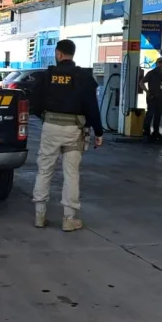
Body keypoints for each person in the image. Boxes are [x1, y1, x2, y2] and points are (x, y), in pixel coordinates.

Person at [29, 39, 104, 232]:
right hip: (74, 130)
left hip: (50, 127)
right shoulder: (84, 77)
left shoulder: (47, 76)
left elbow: (33, 101)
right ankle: (69, 218)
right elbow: (92, 107)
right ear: (72, 54)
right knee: (71, 173)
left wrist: (44, 116)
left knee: (44, 170)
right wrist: (98, 131)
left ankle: (39, 215)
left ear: (58, 54)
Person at [141, 57, 162, 143]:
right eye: (159, 63)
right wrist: (147, 91)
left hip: (160, 97)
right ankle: (146, 132)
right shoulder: (151, 73)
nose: (161, 64)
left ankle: (156, 132)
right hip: (152, 97)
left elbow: (161, 85)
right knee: (150, 114)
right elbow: (141, 82)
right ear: (156, 63)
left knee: (158, 115)